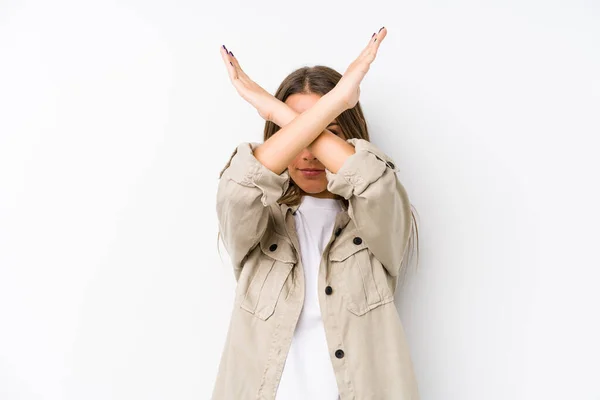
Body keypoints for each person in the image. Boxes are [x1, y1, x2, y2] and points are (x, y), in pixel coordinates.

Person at [213, 26, 420, 400]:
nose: (308, 153)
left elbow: (374, 182)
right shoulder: (258, 222)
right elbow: (238, 186)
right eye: (293, 134)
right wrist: (333, 101)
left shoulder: (378, 220)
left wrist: (278, 111)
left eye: (328, 133)